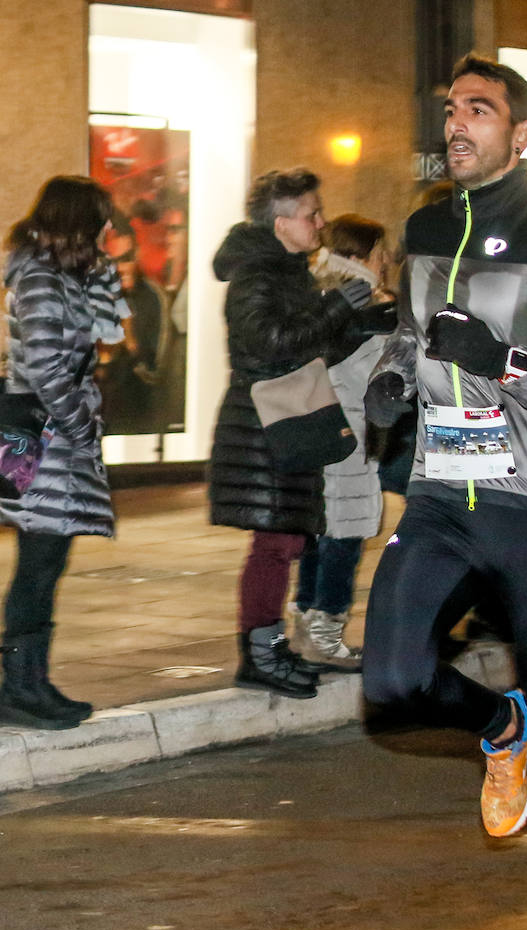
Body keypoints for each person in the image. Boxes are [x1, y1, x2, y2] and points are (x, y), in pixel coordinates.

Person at [362, 54, 527, 839]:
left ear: (522, 133)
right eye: (450, 110)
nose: (456, 123)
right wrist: (394, 375)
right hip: (441, 488)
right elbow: (409, 331)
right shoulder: (427, 226)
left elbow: (496, 359)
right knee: (393, 680)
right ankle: (507, 730)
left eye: (479, 110)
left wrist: (498, 360)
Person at [208, 167, 373, 699]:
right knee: (274, 544)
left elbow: (309, 345)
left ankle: (269, 649)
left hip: (286, 419)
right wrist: (336, 308)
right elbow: (271, 342)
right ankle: (260, 655)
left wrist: (365, 321)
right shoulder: (259, 275)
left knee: (283, 540)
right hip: (265, 424)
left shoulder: (286, 270)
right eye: (311, 214)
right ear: (282, 223)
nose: (320, 223)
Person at [0, 176, 126, 729]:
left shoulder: (68, 277)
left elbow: (112, 333)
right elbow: (47, 369)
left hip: (60, 448)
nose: (110, 230)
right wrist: (80, 427)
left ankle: (33, 683)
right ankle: (21, 690)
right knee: (37, 567)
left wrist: (103, 275)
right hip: (46, 448)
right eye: (102, 220)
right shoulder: (42, 281)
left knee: (46, 565)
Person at [288, 215, 397, 671]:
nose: (386, 260)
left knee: (319, 532)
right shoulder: (364, 308)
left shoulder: (313, 298)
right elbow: (377, 375)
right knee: (344, 536)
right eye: (379, 253)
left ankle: (303, 624)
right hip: (348, 433)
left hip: (315, 428)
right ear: (359, 258)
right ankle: (325, 634)